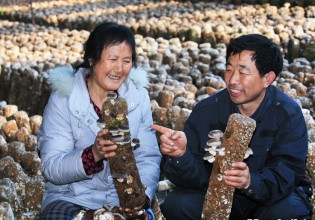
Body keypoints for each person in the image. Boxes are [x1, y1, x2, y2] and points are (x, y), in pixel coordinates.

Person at [152, 34, 313, 219]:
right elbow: (195, 179)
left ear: (267, 78)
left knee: (288, 211)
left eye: (243, 72)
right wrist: (181, 155)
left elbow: (288, 173)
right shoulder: (207, 110)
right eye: (229, 70)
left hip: (269, 199)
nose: (232, 80)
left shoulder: (287, 114)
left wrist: (251, 181)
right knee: (178, 204)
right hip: (217, 193)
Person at [38, 21, 161, 219]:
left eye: (127, 61)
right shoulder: (64, 98)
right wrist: (93, 154)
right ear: (92, 59)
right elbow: (52, 166)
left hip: (121, 200)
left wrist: (139, 198)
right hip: (72, 198)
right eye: (112, 59)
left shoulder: (138, 99)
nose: (119, 69)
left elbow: (148, 157)